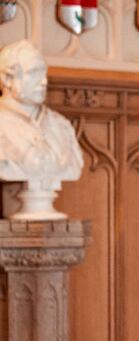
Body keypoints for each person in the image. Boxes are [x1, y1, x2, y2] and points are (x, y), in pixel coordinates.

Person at [0, 40, 83, 219]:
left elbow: (73, 164)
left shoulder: (61, 126)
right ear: (7, 79)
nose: (44, 81)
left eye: (44, 73)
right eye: (34, 73)